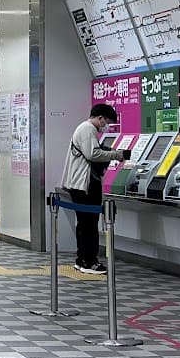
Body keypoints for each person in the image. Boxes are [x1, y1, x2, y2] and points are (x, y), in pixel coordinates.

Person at [60, 103, 129, 274]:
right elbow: (93, 154)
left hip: (80, 183)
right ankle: (89, 261)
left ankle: (82, 259)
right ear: (100, 118)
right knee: (89, 223)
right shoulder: (88, 129)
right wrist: (116, 154)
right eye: (106, 122)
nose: (105, 126)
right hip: (85, 184)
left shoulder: (84, 129)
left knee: (84, 223)